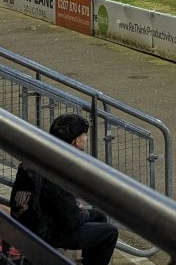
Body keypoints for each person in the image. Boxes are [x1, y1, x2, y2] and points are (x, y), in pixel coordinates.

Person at [10, 113, 118, 265]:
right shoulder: (58, 169)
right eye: (84, 134)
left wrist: (80, 211)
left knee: (99, 216)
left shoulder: (42, 155)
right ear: (76, 141)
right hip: (43, 232)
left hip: (26, 222)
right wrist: (81, 211)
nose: (86, 138)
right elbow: (70, 220)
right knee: (110, 233)